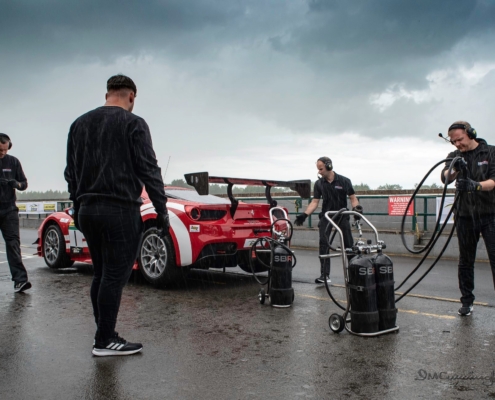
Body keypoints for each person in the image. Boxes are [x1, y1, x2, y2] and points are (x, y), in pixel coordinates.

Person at [65, 75, 170, 356]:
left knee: (100, 273)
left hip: (87, 209)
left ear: (107, 93)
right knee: (114, 276)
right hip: (119, 209)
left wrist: (78, 207)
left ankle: (103, 334)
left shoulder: (78, 124)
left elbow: (70, 174)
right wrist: (161, 210)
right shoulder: (133, 123)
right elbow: (149, 169)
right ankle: (105, 340)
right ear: (131, 96)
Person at [441, 121, 495, 317]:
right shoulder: (454, 156)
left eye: (460, 140)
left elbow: (494, 181)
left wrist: (476, 185)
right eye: (453, 142)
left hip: (490, 214)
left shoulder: (490, 152)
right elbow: (446, 175)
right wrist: (455, 169)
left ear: (471, 133)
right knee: (465, 261)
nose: (457, 145)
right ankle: (467, 302)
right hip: (464, 215)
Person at [294, 156, 362, 283]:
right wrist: (304, 215)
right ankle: (324, 275)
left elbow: (353, 198)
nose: (319, 172)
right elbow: (315, 202)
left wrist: (356, 209)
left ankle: (354, 274)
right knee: (324, 244)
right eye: (318, 169)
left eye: (321, 169)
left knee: (348, 244)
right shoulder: (319, 184)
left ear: (329, 166)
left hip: (342, 215)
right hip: (327, 216)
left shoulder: (344, 181)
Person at [0, 133, 31, 293]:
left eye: (5, 150)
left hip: (9, 210)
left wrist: (16, 184)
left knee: (13, 245)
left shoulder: (13, 162)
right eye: (0, 150)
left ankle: (20, 280)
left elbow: (24, 183)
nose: (3, 153)